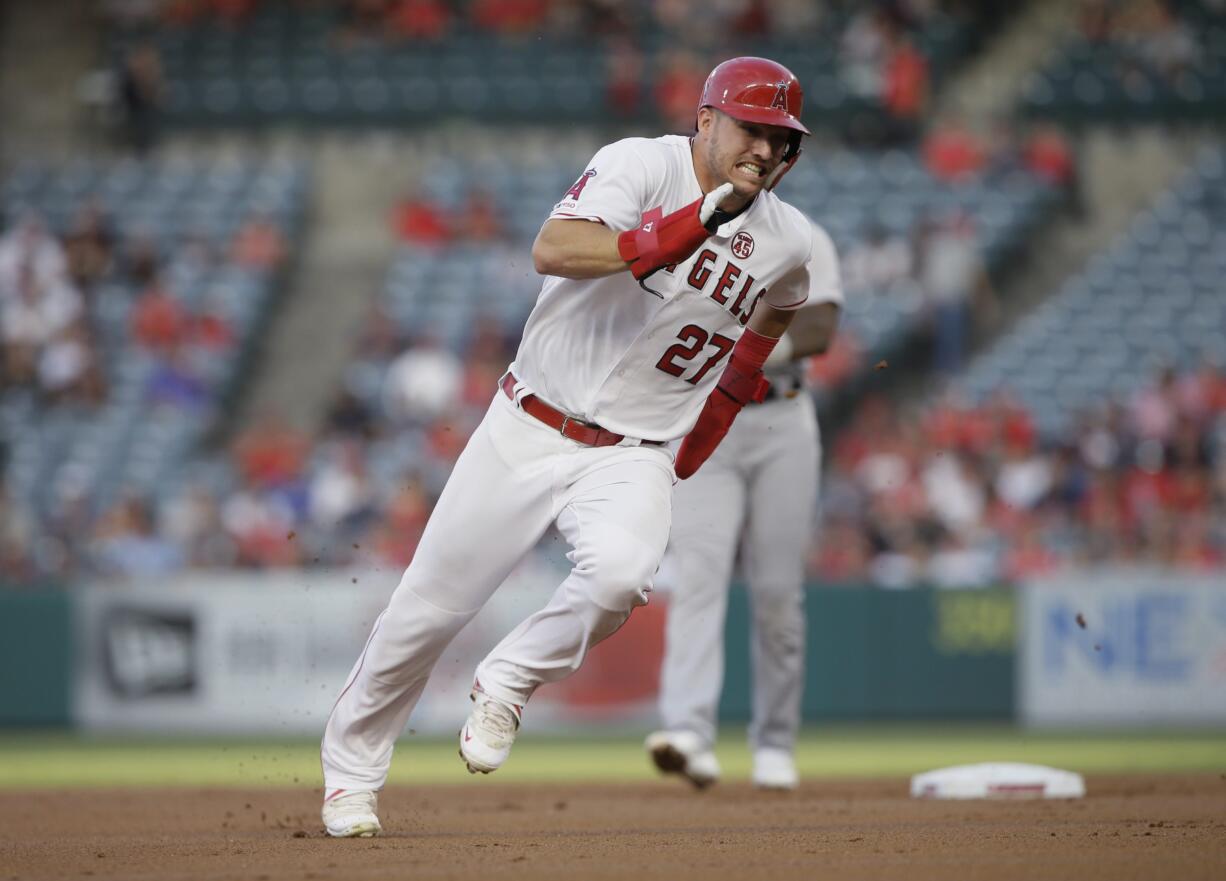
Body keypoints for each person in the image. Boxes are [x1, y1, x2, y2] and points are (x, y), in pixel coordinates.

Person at [320, 56, 819, 838]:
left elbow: (766, 333)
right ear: (707, 119)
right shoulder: (639, 164)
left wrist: (708, 429)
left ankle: (509, 680)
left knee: (622, 574)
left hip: (635, 449)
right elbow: (553, 249)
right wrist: (693, 222)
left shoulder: (788, 242)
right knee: (422, 616)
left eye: (781, 139)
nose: (765, 149)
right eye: (752, 129)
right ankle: (351, 776)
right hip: (529, 422)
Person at [646, 225, 843, 791]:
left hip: (781, 418)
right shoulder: (695, 231)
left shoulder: (803, 236)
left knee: (778, 591)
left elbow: (820, 327)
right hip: (709, 423)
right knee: (697, 581)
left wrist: (745, 349)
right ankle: (688, 733)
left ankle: (776, 742)